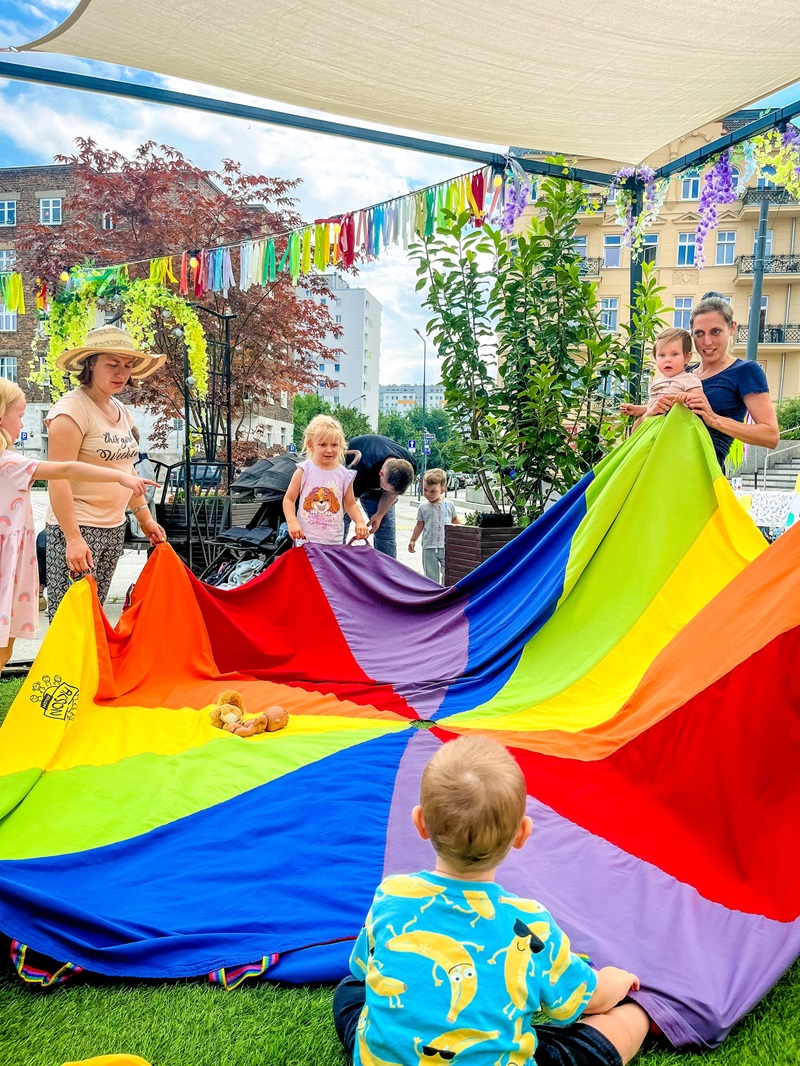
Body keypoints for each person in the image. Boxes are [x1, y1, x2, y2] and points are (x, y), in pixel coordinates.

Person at [333, 735, 650, 1066]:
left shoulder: (392, 894)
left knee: (350, 991)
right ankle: (644, 1014)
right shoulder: (530, 925)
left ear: (420, 823)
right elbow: (591, 999)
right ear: (522, 833)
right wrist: (617, 979)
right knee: (592, 1044)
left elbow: (364, 970)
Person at [0, 379, 157, 671]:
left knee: (7, 644)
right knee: (25, 638)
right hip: (21, 558)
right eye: (20, 416)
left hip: (100, 530)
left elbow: (118, 465)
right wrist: (118, 478)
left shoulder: (120, 411)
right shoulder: (11, 462)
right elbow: (65, 469)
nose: (24, 424)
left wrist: (141, 511)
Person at [45, 325, 168, 620]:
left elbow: (125, 469)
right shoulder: (70, 412)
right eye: (112, 365)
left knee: (95, 620)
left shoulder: (119, 410)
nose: (121, 373)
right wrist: (73, 538)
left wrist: (144, 517)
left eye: (128, 366)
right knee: (71, 622)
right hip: (78, 529)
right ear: (90, 364)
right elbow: (56, 478)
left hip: (113, 527)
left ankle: (92, 670)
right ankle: (62, 670)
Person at [681, 296, 778, 468]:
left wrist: (714, 420)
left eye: (715, 331)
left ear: (732, 328)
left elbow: (770, 436)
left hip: (705, 476)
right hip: (668, 469)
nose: (707, 342)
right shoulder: (685, 373)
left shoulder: (745, 371)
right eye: (699, 333)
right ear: (691, 332)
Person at [283, 414, 368, 545]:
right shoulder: (304, 470)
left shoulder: (345, 475)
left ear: (340, 446)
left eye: (334, 445)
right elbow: (289, 499)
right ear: (311, 446)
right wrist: (292, 522)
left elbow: (350, 503)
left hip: (333, 541)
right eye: (323, 445)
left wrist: (360, 522)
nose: (329, 450)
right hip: (305, 540)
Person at [344, 434, 416, 557]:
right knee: (340, 523)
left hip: (374, 475)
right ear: (381, 474)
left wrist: (379, 514)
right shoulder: (363, 467)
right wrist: (359, 522)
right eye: (385, 488)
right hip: (353, 478)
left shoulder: (409, 464)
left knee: (385, 529)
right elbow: (348, 504)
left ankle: (387, 570)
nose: (387, 491)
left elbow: (392, 493)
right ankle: (333, 560)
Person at [620, 328, 703, 429]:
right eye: (662, 355)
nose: (667, 360)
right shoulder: (657, 383)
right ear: (655, 358)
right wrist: (637, 410)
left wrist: (686, 396)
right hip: (653, 427)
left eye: (674, 354)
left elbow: (700, 399)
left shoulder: (688, 379)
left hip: (673, 428)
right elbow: (654, 407)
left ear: (687, 357)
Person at [408, 467, 462, 583]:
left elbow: (455, 519)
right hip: (429, 547)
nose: (428, 494)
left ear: (442, 490)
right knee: (430, 575)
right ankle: (433, 594)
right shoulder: (423, 507)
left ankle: (445, 592)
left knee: (448, 572)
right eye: (425, 490)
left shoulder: (449, 505)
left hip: (445, 545)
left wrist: (465, 530)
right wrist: (413, 540)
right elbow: (419, 525)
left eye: (433, 491)